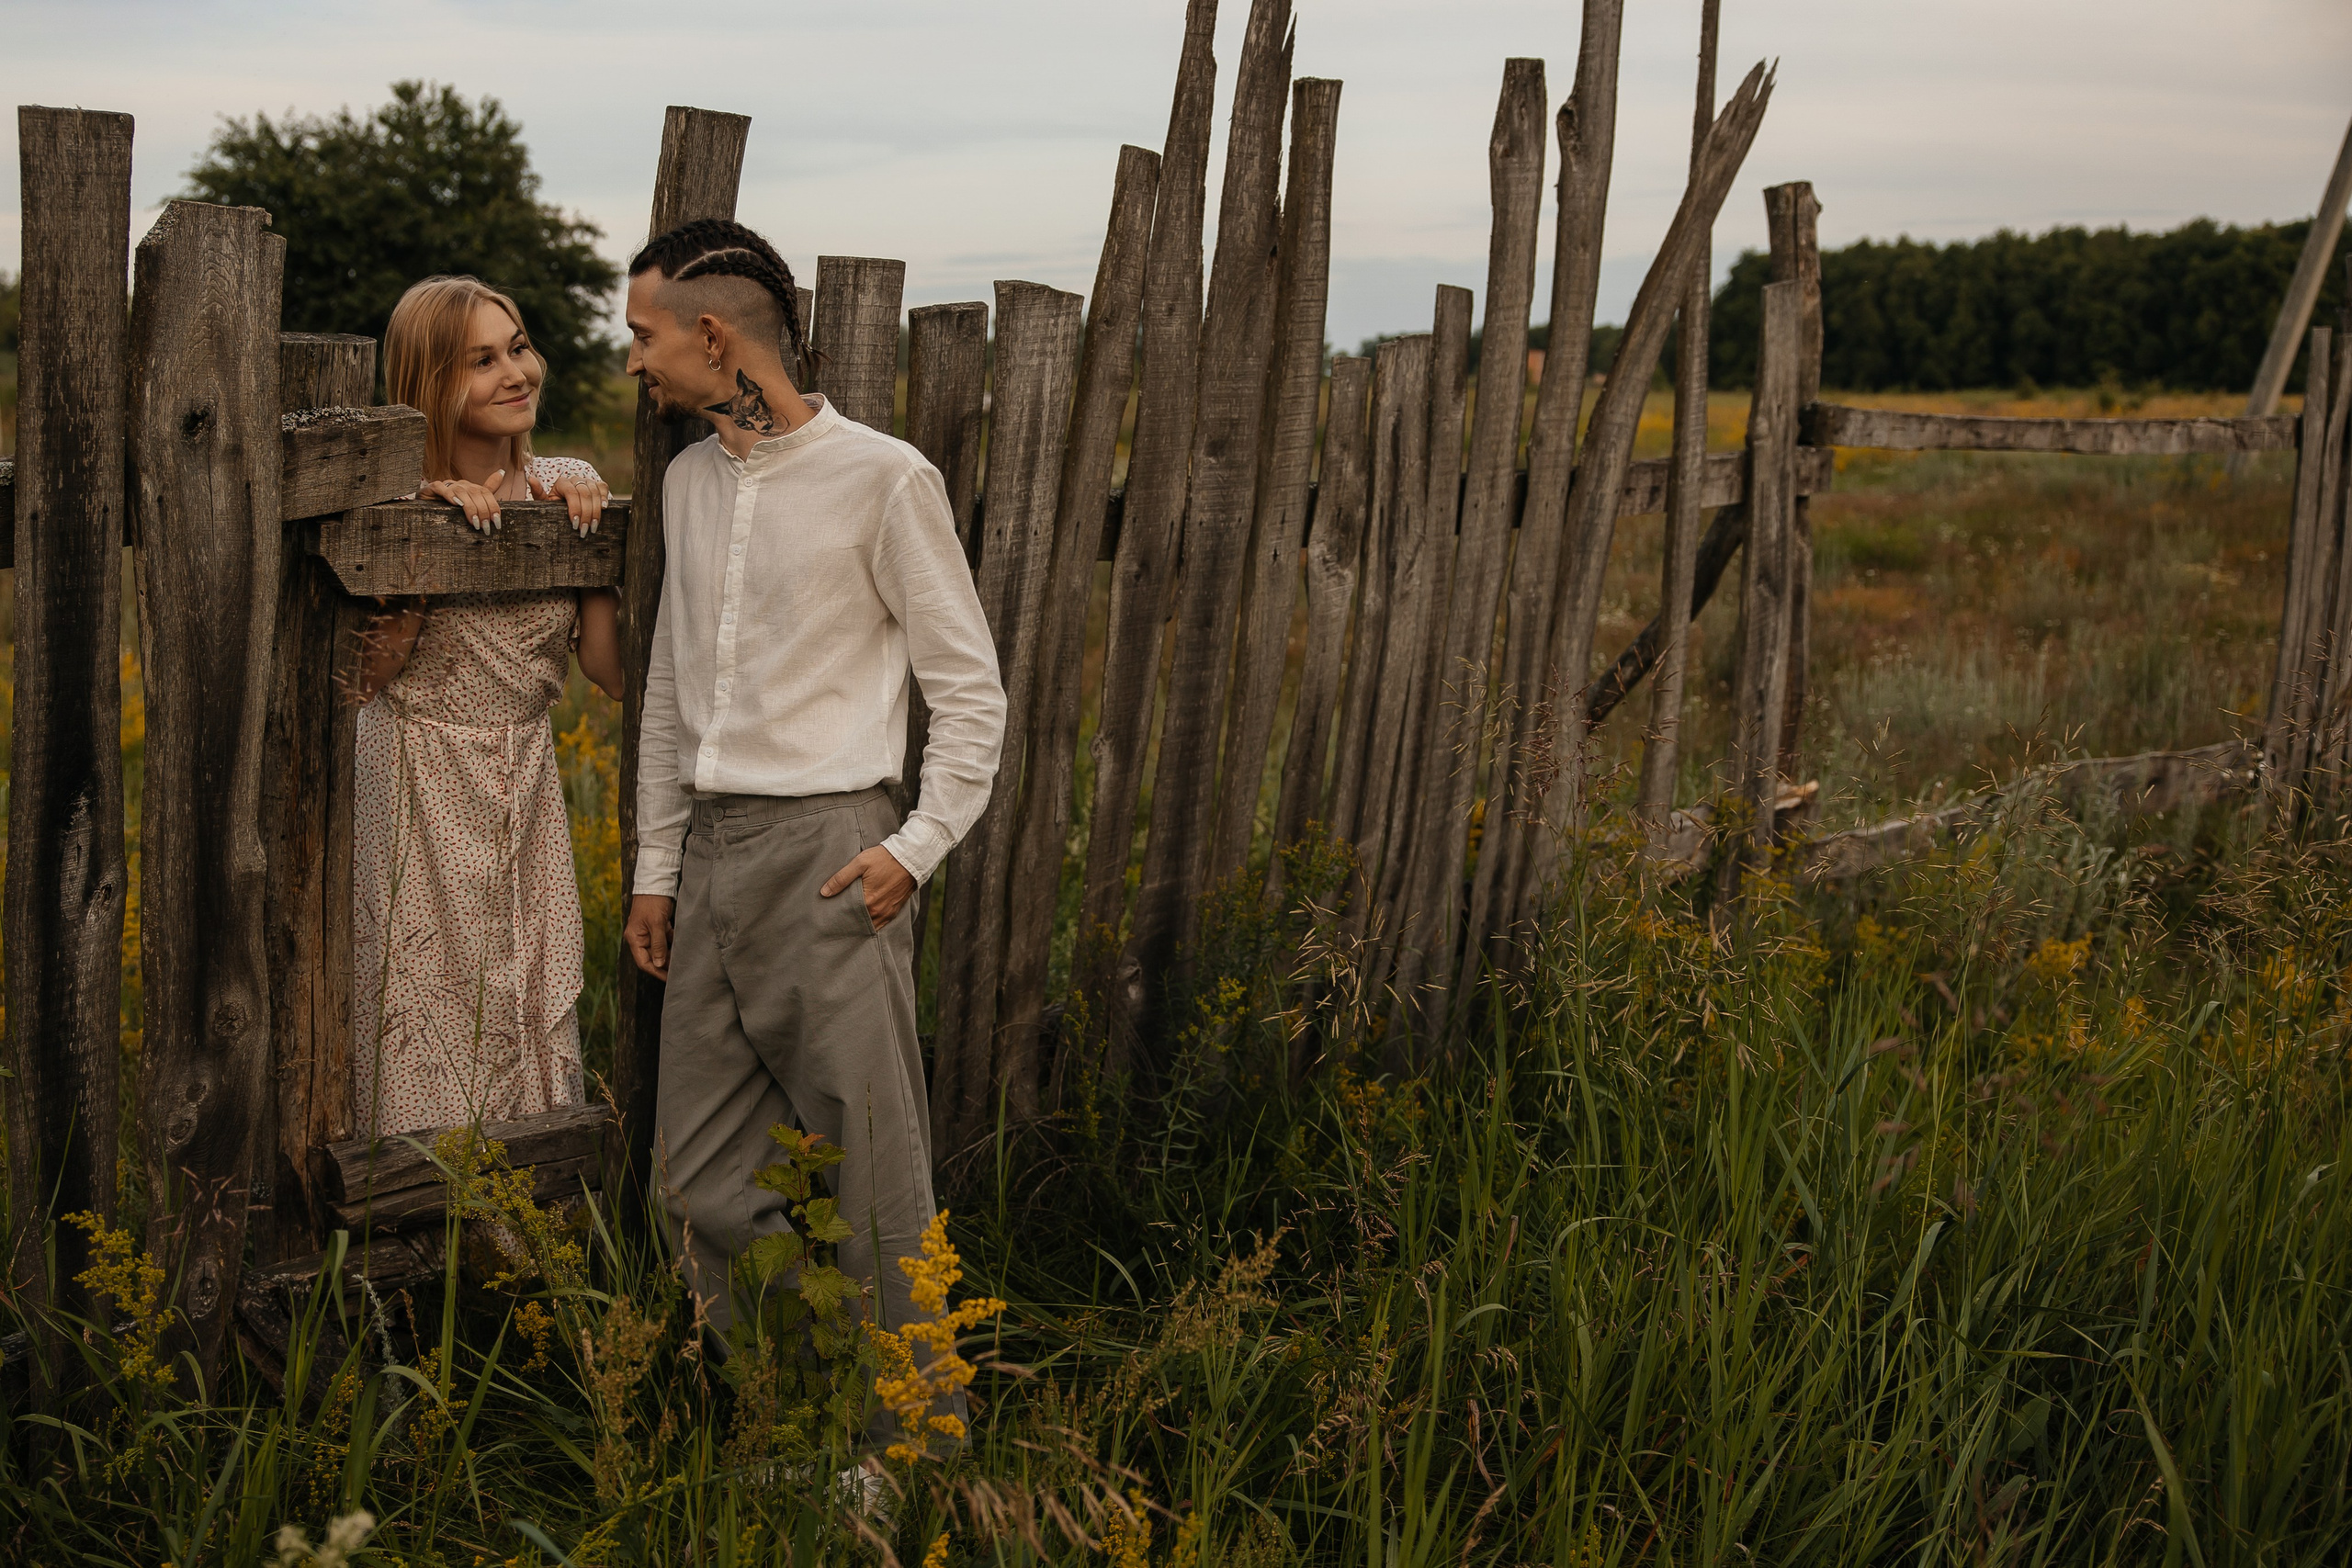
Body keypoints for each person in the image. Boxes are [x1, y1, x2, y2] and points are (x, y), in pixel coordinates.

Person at [617, 220, 1005, 1354]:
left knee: (875, 1178)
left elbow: (969, 691)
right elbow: (666, 694)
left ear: (712, 335)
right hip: (711, 861)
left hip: (834, 854)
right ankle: (786, 1426)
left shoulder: (883, 479)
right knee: (697, 1183)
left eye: (644, 335)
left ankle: (914, 1457)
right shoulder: (690, 483)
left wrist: (916, 845)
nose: (633, 359)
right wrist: (656, 869)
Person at [352, 276, 623, 1140]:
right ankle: (421, 1214)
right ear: (431, 383)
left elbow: (610, 674)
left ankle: (527, 1225)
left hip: (525, 773)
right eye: (481, 361)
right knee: (423, 995)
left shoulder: (566, 483)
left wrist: (600, 560)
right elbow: (368, 681)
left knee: (526, 987)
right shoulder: (396, 501)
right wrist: (422, 544)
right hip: (414, 777)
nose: (516, 372)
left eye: (517, 347)